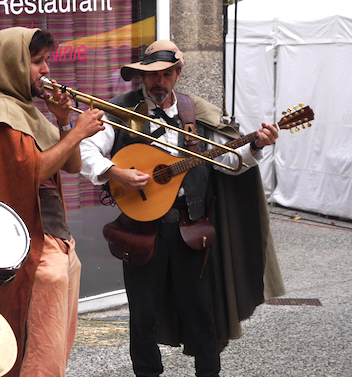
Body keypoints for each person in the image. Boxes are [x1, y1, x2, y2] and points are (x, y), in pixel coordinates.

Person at [79, 40, 285, 377]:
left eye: (164, 74)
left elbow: (228, 160)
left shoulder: (196, 112)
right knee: (143, 315)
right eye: (151, 75)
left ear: (177, 74)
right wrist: (116, 172)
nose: (157, 82)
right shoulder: (121, 110)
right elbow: (87, 152)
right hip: (142, 231)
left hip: (190, 229)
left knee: (202, 311)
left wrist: (256, 145)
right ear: (141, 78)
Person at [0, 27, 105, 376]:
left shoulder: (26, 109)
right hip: (32, 249)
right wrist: (76, 131)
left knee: (55, 347)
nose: (46, 70)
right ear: (12, 64)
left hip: (54, 240)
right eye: (37, 62)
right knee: (38, 351)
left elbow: (71, 165)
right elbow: (33, 171)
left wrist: (62, 121)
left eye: (46, 61)